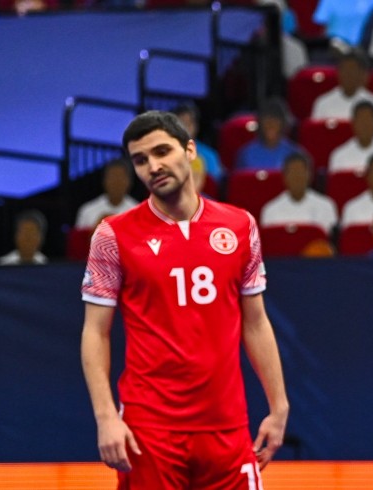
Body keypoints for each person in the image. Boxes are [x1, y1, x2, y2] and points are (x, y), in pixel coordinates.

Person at [80, 111, 289, 488]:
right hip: (150, 429)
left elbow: (256, 322)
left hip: (226, 424)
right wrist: (106, 416)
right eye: (141, 160)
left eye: (162, 151)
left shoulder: (240, 226)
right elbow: (96, 332)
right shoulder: (113, 235)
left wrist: (279, 406)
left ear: (190, 150)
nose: (153, 166)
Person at [259, 152, 338, 234]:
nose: (297, 178)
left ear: (310, 176)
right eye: (292, 173)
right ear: (284, 177)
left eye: (300, 173)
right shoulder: (270, 210)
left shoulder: (326, 206)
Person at [311, 50, 373, 130]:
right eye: (344, 70)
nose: (347, 75)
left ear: (361, 74)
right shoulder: (322, 103)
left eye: (352, 71)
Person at [236, 98, 303, 171]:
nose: (271, 126)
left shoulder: (295, 155)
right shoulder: (245, 154)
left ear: (284, 124)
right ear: (260, 124)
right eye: (267, 121)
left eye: (276, 121)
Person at [75, 158, 138, 230]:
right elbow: (79, 240)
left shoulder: (138, 213)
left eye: (121, 177)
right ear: (104, 181)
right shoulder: (87, 211)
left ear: (129, 182)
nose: (116, 182)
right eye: (112, 177)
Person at [172, 102, 226, 184]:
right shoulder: (164, 153)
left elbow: (216, 186)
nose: (184, 128)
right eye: (181, 124)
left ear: (196, 126)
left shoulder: (209, 155)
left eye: (188, 124)